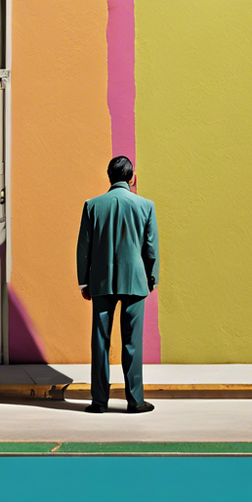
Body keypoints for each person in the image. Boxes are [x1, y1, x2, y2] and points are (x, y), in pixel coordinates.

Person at [75, 156, 158, 413]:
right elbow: (151, 248)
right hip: (135, 280)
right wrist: (150, 278)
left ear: (109, 176)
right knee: (132, 342)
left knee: (100, 341)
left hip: (101, 282)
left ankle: (99, 401)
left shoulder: (93, 205)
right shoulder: (145, 206)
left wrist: (83, 282)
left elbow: (83, 248)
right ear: (131, 178)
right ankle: (135, 400)